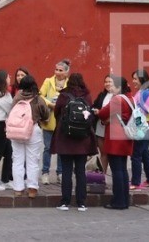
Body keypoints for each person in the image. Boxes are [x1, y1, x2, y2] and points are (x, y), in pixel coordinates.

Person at [52, 72, 97, 211]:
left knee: (66, 171)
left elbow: (56, 112)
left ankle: (65, 202)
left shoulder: (64, 95)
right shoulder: (87, 95)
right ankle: (81, 202)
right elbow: (90, 114)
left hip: (66, 138)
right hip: (82, 139)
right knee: (80, 171)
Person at [95, 76, 134, 211]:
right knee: (122, 169)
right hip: (126, 137)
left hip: (115, 138)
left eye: (113, 86)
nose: (110, 88)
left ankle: (118, 201)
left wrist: (101, 114)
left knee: (117, 170)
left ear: (119, 87)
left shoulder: (117, 99)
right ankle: (124, 200)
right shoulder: (130, 99)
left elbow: (103, 113)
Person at [9, 75, 49, 198]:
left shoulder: (17, 97)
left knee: (17, 160)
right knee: (33, 160)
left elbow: (11, 111)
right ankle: (32, 189)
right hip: (33, 130)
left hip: (17, 131)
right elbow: (46, 114)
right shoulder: (38, 99)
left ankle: (18, 188)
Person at [39, 59, 69, 185]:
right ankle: (45, 173)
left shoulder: (69, 83)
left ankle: (60, 173)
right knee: (47, 148)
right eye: (56, 69)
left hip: (62, 120)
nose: (57, 72)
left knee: (61, 148)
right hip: (49, 119)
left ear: (66, 72)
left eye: (60, 70)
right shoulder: (48, 81)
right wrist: (50, 104)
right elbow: (40, 96)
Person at [129, 69, 149, 189]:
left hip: (143, 128)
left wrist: (136, 126)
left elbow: (142, 112)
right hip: (147, 127)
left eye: (135, 79)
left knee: (136, 154)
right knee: (145, 154)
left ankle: (135, 183)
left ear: (142, 79)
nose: (133, 81)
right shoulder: (143, 92)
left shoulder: (144, 93)